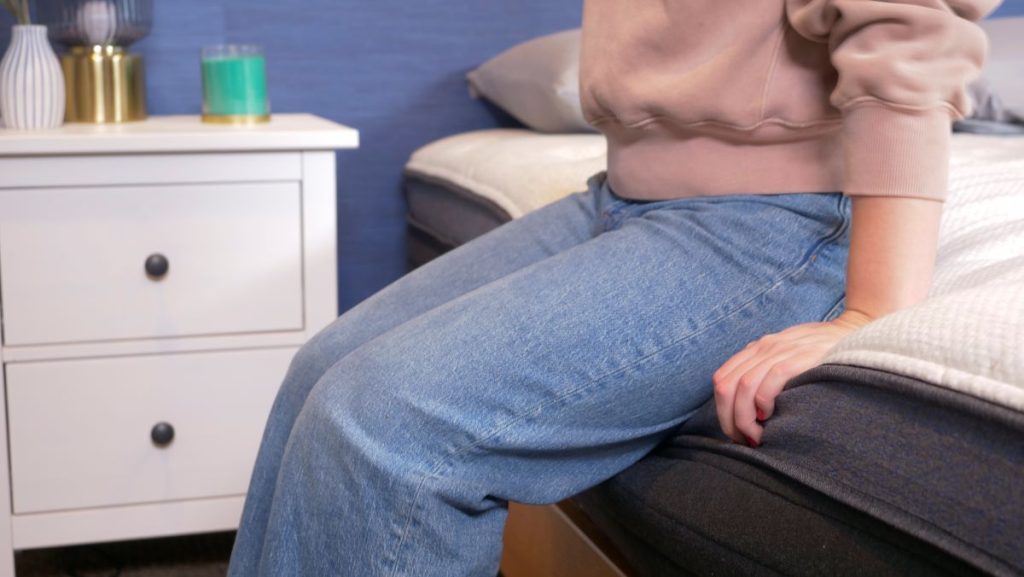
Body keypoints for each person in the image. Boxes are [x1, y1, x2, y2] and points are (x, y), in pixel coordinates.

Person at [228, 0, 1000, 574]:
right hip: (621, 197)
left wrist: (871, 309)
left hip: (773, 219)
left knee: (386, 426)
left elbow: (910, 31)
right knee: (320, 371)